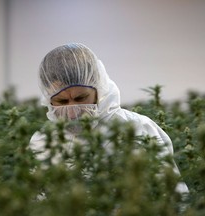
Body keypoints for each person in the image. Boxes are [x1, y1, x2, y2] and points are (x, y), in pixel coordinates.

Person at [29, 42, 189, 194]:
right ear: (48, 101)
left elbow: (172, 197)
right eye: (62, 102)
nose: (72, 113)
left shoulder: (138, 128)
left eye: (81, 99)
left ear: (99, 91)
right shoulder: (41, 141)